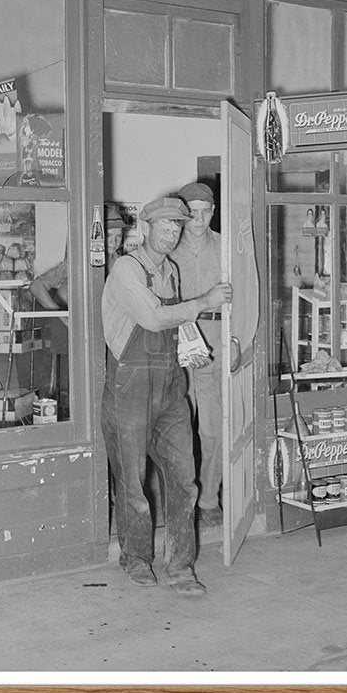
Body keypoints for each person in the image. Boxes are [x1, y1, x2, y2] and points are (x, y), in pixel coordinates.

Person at [100, 195, 232, 596]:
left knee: (183, 477)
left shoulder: (170, 270)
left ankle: (180, 565)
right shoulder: (127, 269)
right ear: (146, 226)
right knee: (133, 479)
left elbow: (173, 326)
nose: (172, 232)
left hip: (171, 383)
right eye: (165, 225)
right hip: (130, 387)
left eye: (178, 225)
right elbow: (153, 317)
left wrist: (191, 344)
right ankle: (136, 557)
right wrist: (203, 304)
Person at [171, 181, 223, 529]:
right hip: (178, 342)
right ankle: (181, 498)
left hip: (217, 338)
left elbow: (245, 294)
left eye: (206, 212)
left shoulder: (225, 246)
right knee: (176, 428)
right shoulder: (168, 249)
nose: (200, 220)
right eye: (193, 213)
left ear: (213, 212)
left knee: (213, 428)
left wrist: (237, 342)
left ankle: (209, 499)